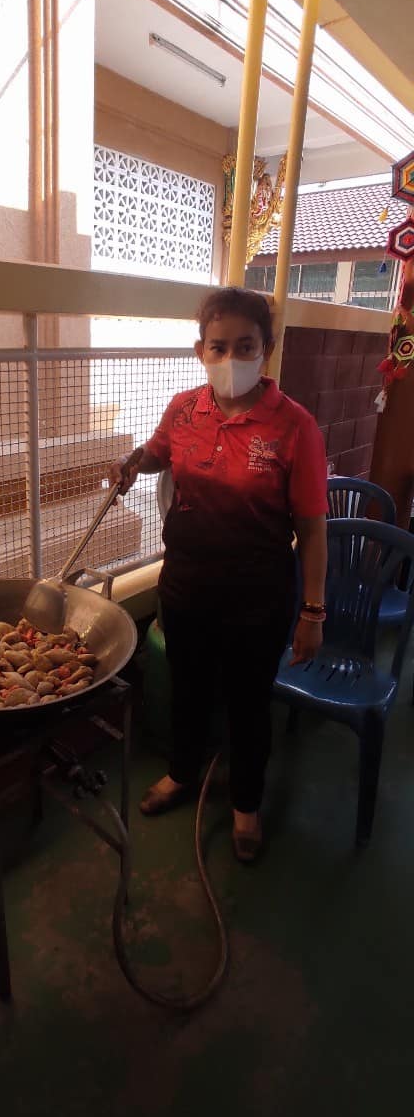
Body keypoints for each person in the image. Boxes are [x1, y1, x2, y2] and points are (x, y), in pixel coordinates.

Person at [111, 287, 328, 863]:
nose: (231, 357)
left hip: (258, 595)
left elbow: (312, 529)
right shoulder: (185, 410)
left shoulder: (295, 427)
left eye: (245, 346)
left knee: (249, 702)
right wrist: (132, 463)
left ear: (266, 349)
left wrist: (313, 611)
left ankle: (246, 805)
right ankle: (183, 773)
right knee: (188, 688)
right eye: (219, 346)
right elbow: (159, 454)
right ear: (200, 350)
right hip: (186, 585)